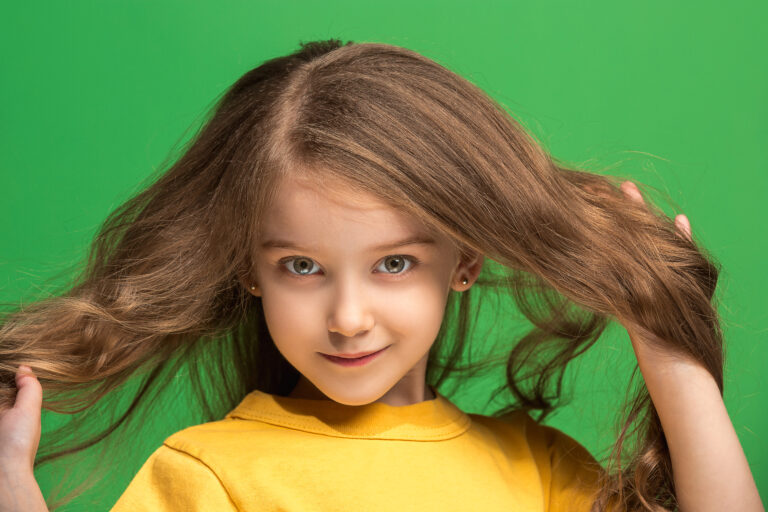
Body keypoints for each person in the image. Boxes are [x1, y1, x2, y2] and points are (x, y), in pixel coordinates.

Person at [0, 39, 762, 512]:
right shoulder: (206, 477)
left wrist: (671, 352)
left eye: (393, 263)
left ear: (464, 259)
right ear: (249, 270)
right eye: (302, 266)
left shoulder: (538, 471)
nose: (349, 316)